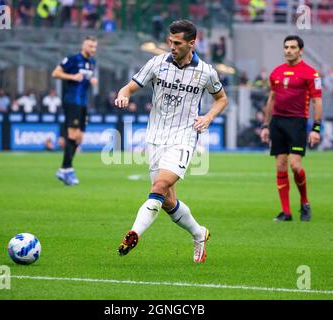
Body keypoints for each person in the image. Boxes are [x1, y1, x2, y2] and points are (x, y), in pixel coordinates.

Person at [114, 20, 228, 263]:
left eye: (177, 43)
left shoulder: (206, 71)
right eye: (170, 41)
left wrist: (208, 118)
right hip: (155, 138)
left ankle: (134, 233)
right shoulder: (156, 63)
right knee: (166, 200)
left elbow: (221, 99)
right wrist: (122, 95)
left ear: (191, 43)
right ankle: (199, 234)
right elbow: (129, 88)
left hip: (184, 138)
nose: (171, 46)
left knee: (159, 186)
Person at [260, 35, 323, 222]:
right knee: (280, 165)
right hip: (277, 122)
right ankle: (286, 212)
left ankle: (304, 202)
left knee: (295, 166)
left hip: (297, 122)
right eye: (286, 47)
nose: (288, 50)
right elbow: (271, 99)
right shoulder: (276, 73)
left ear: (300, 50)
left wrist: (316, 128)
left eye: (293, 47)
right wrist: (265, 124)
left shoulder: (311, 73)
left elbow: (317, 101)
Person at [51, 36, 98, 186]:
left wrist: (91, 80)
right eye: (90, 46)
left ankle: (65, 169)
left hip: (83, 103)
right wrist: (72, 76)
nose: (93, 49)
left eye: (95, 47)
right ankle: (66, 169)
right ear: (83, 46)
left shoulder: (92, 62)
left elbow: (85, 78)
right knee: (72, 134)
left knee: (79, 138)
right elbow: (56, 73)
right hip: (72, 101)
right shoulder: (72, 59)